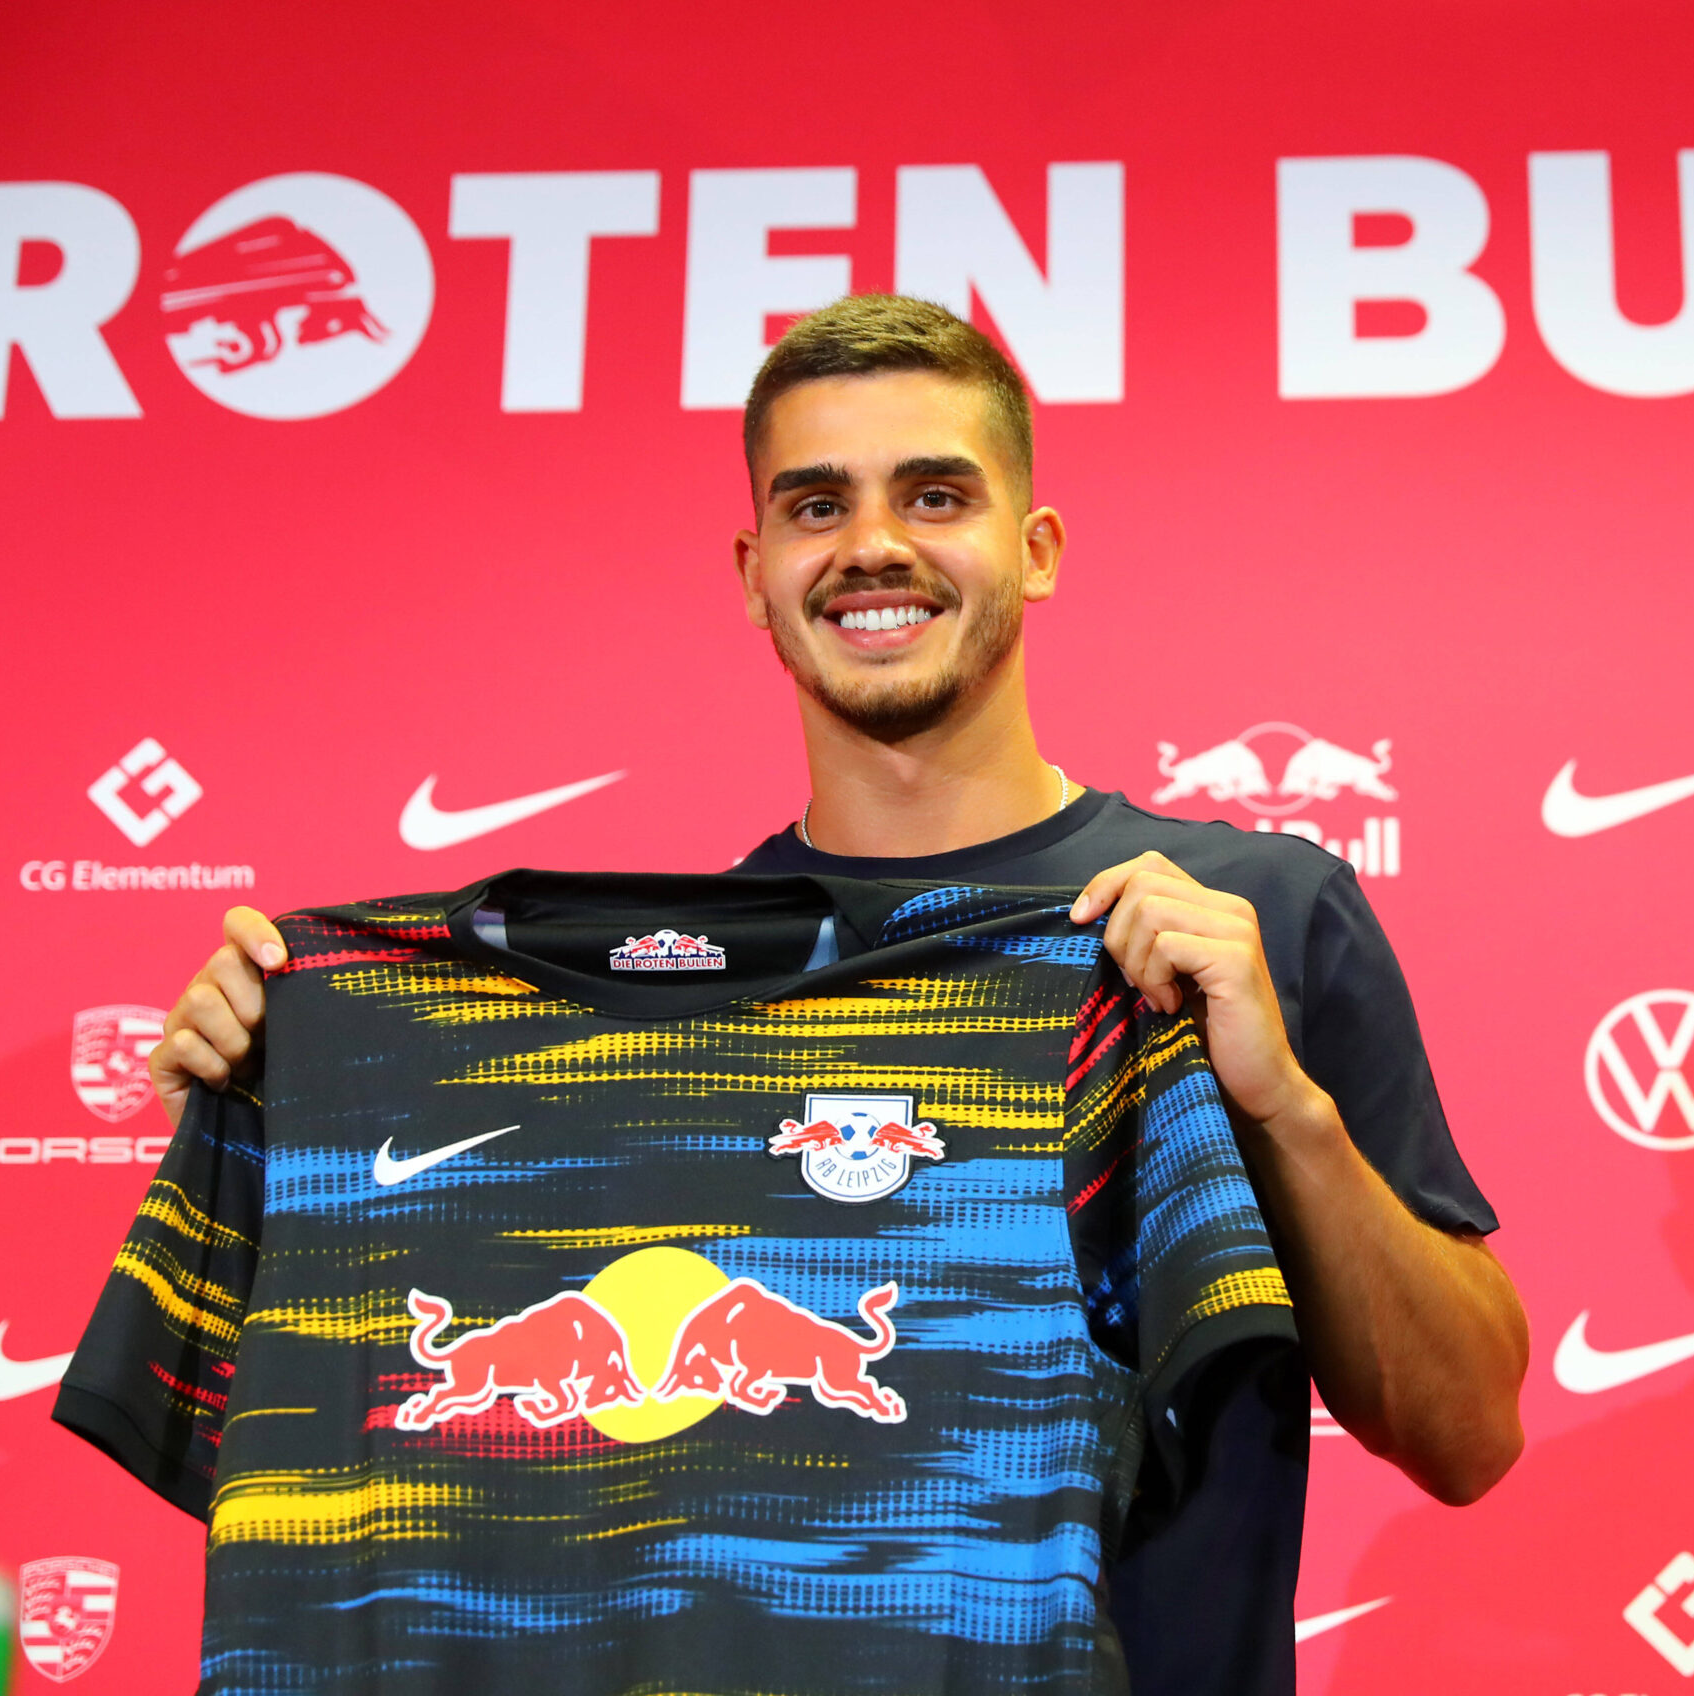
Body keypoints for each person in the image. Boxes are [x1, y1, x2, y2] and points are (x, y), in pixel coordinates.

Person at [143, 293, 1528, 1693]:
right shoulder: (647, 1009)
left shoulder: (1250, 915)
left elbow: (1468, 1434)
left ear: (1036, 549)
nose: (874, 545)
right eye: (818, 506)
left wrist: (1283, 1110)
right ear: (755, 575)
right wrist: (283, 1066)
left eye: (935, 496)